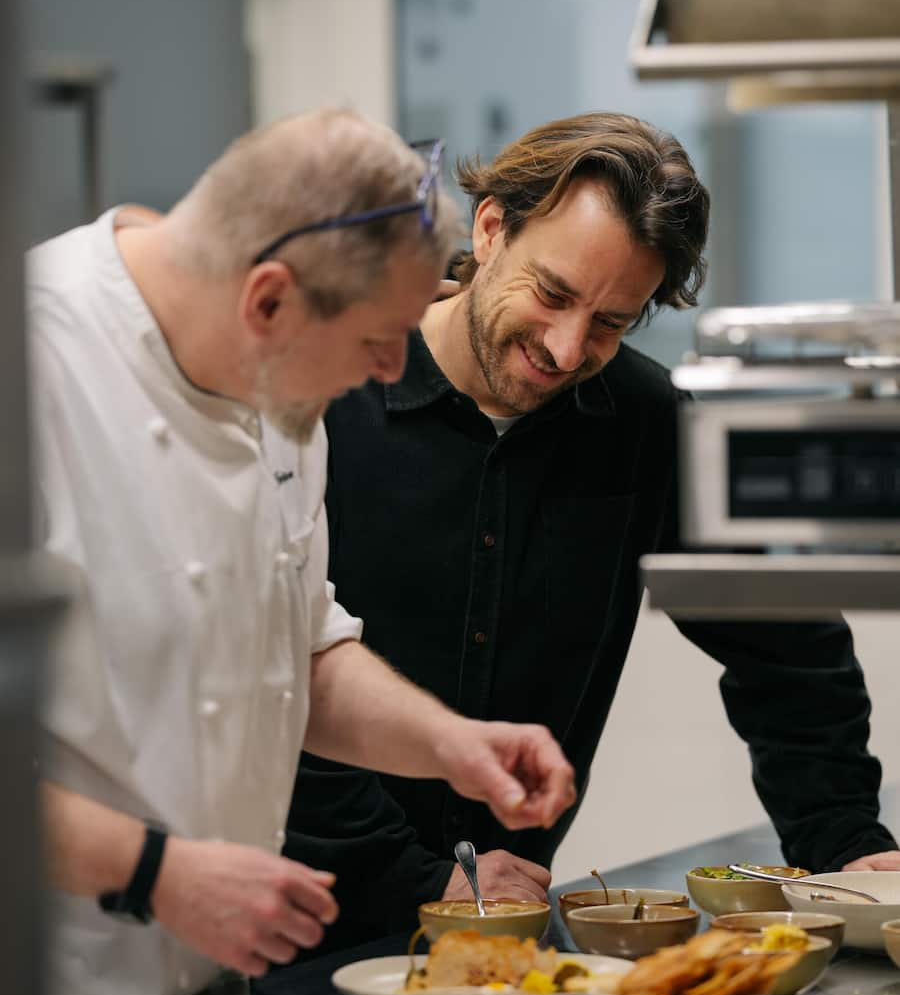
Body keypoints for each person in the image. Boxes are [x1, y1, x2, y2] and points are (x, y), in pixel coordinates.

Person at [284, 111, 899, 952]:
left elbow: (783, 645)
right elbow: (279, 676)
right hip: (289, 925)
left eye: (612, 322)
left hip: (509, 929)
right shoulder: (329, 401)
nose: (568, 350)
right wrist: (421, 880)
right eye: (554, 294)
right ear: (492, 227)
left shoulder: (640, 420)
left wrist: (846, 841)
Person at [32, 108, 577, 995]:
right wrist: (152, 872)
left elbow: (302, 646)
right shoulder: (31, 367)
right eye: (378, 340)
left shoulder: (279, 395)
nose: (390, 369)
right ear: (271, 299)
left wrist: (449, 743)